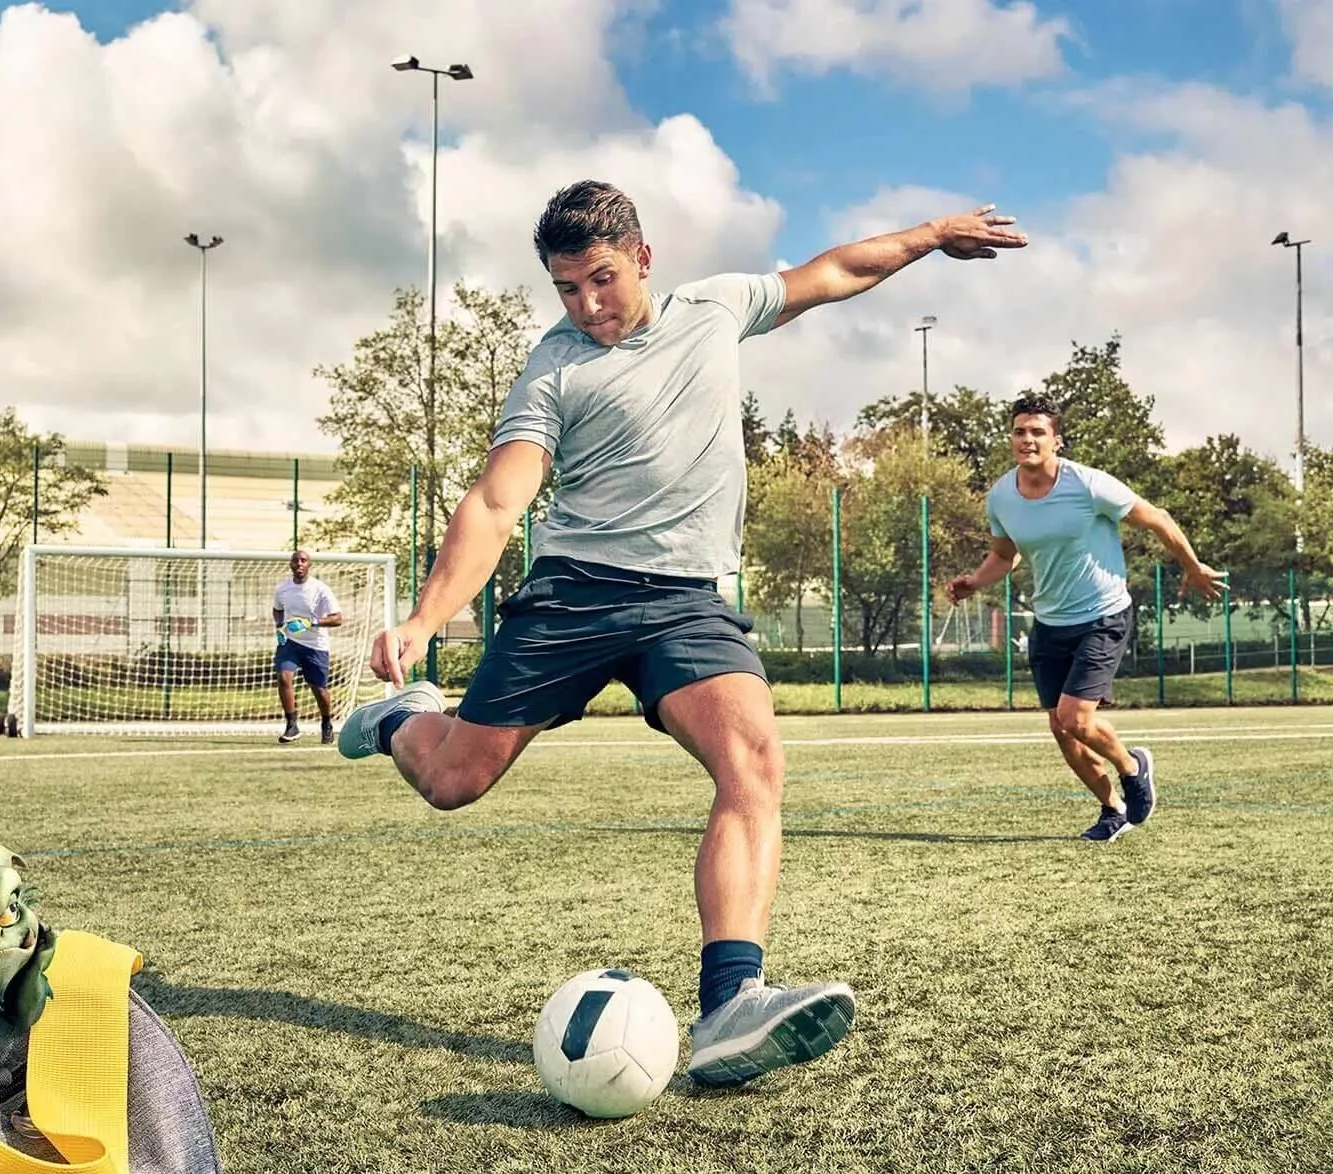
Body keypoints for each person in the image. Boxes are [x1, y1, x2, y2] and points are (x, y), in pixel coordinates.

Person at [338, 180, 1027, 1087]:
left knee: (755, 761)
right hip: (575, 596)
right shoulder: (553, 371)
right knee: (452, 779)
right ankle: (399, 719)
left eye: (602, 279)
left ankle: (732, 1004)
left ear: (644, 258)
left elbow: (833, 271)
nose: (588, 306)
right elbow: (500, 499)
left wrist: (934, 235)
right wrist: (428, 619)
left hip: (688, 604)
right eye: (567, 290)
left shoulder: (716, 308)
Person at [948, 394, 1223, 842]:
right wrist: (976, 581)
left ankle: (1133, 767)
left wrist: (1192, 567)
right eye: (1020, 431)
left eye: (1037, 432)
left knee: (1075, 718)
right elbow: (1005, 554)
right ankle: (1112, 808)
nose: (1027, 439)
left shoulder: (1090, 485)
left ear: (1056, 440)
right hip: (1050, 623)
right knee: (1062, 729)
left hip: (1102, 615)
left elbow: (1159, 519)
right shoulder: (1001, 496)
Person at [272, 549, 344, 744]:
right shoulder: (282, 589)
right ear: (291, 565)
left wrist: (310, 622)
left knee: (319, 690)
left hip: (316, 645)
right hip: (290, 643)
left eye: (303, 560)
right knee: (284, 677)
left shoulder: (320, 589)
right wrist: (279, 627)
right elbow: (277, 610)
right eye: (296, 560)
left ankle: (327, 723)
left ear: (309, 564)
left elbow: (337, 619)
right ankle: (291, 725)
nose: (299, 564)